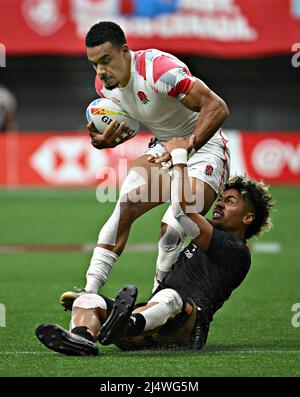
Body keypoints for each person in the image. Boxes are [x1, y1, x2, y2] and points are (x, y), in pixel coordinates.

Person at [35, 137, 273, 356]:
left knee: (171, 297)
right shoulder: (210, 237)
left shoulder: (237, 251)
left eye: (229, 202)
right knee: (87, 301)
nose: (219, 204)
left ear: (248, 218)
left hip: (185, 329)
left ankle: (125, 324)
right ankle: (81, 338)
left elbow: (182, 213)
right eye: (221, 199)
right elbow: (179, 220)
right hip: (152, 320)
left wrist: (180, 158)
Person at [63, 20, 230, 304]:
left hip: (204, 149)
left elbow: (217, 107)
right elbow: (141, 118)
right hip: (163, 149)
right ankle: (89, 294)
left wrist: (187, 146)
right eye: (94, 64)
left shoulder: (160, 71)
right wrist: (110, 141)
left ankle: (157, 297)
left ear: (125, 52)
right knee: (123, 209)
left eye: (106, 60)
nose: (101, 71)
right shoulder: (106, 87)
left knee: (173, 225)